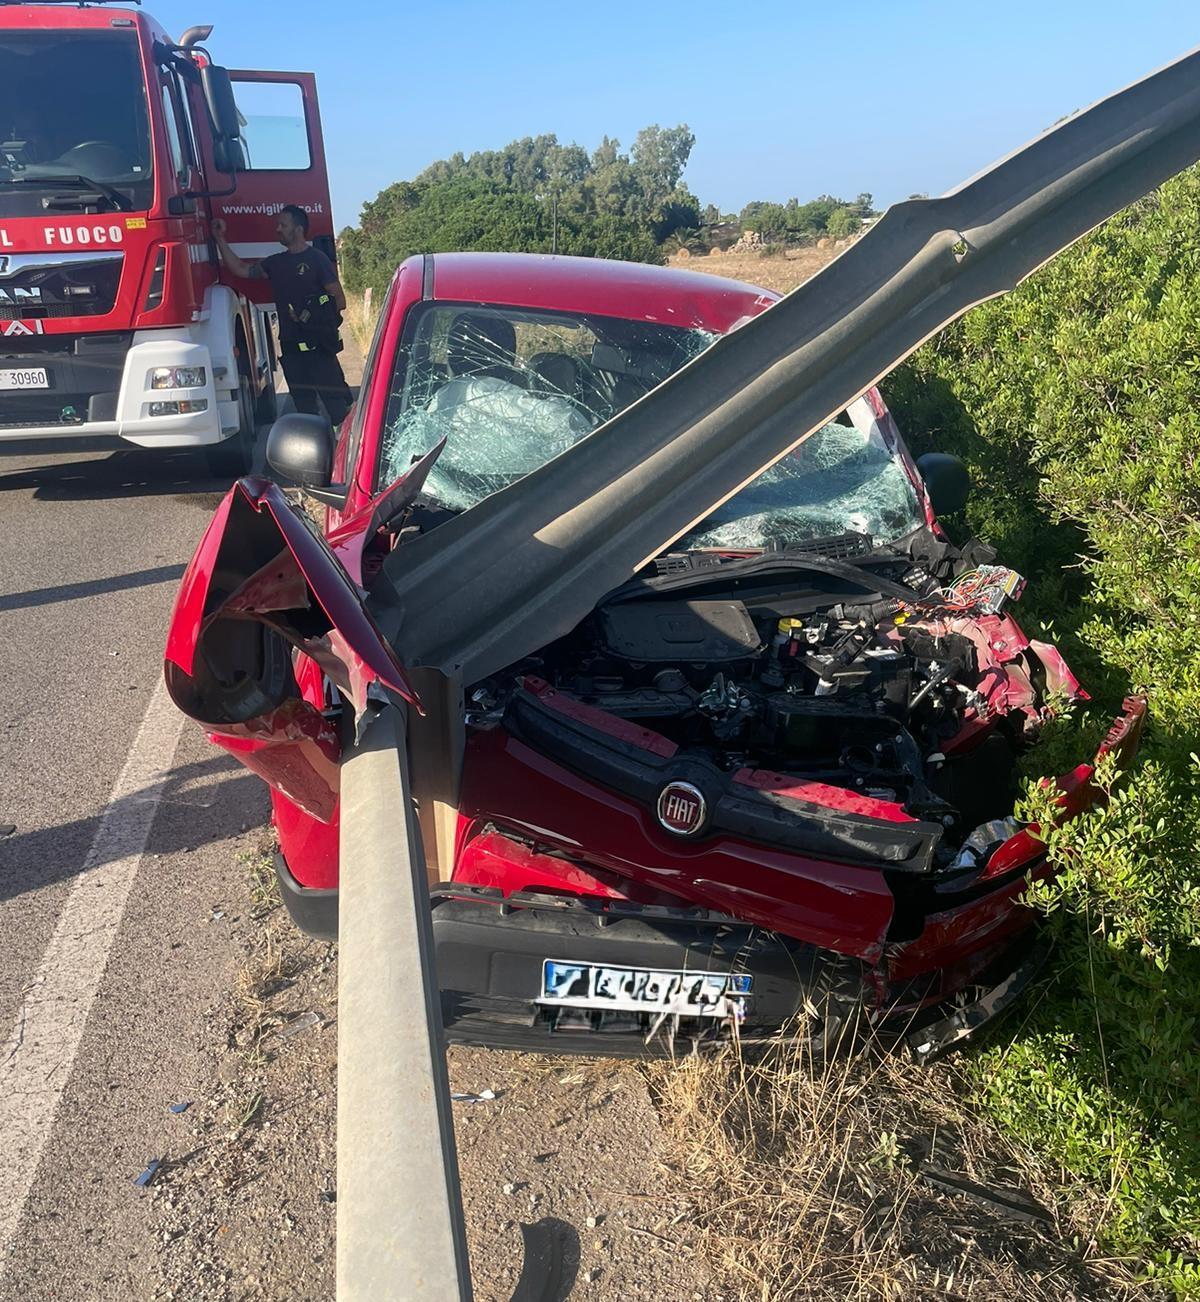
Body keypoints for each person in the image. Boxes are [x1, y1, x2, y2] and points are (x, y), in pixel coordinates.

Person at [210, 205, 353, 426]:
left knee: (338, 409)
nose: (277, 229)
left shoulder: (317, 260)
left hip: (320, 350)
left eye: (282, 225)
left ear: (297, 229)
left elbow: (339, 300)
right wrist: (220, 239)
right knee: (305, 413)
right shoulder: (276, 263)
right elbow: (240, 269)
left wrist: (312, 314)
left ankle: (345, 455)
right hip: (292, 351)